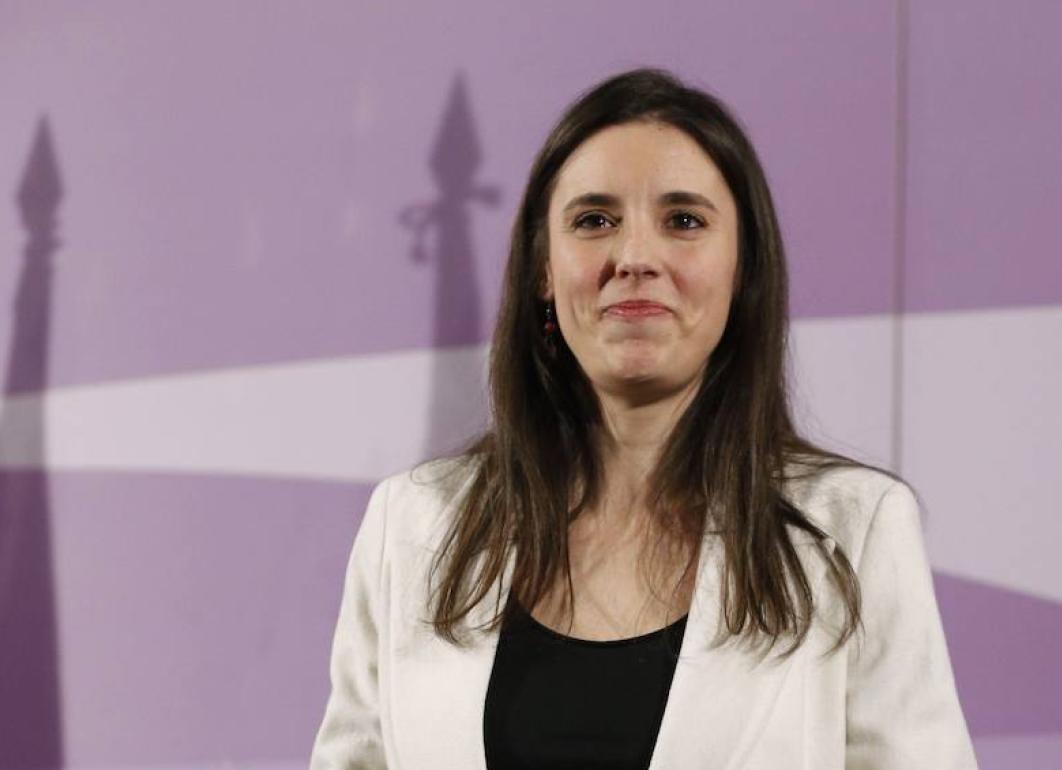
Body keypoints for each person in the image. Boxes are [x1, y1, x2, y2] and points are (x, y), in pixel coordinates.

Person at [310, 67, 978, 769]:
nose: (634, 257)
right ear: (543, 270)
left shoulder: (853, 532)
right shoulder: (411, 526)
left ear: (743, 269)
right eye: (594, 221)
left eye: (683, 221)